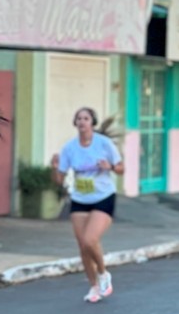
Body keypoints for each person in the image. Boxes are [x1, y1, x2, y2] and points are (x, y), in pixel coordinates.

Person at [50, 107, 124, 303]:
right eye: (79, 118)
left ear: (92, 122)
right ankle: (93, 286)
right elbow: (59, 179)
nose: (82, 122)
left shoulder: (104, 144)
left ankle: (103, 274)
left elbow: (121, 168)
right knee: (83, 245)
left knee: (90, 239)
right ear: (75, 123)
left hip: (103, 196)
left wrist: (110, 167)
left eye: (86, 118)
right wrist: (55, 168)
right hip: (80, 199)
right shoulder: (69, 148)